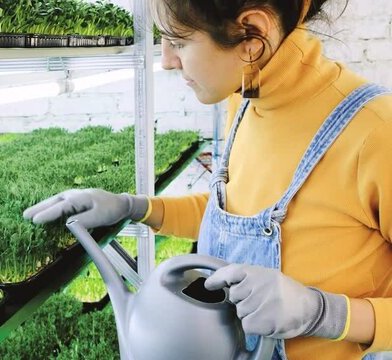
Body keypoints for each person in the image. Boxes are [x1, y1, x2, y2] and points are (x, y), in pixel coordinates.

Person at [23, 0, 392, 359]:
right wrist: (134, 207)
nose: (167, 61)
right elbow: (233, 211)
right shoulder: (245, 99)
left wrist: (324, 313)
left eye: (179, 42)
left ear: (252, 33)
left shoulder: (376, 133)